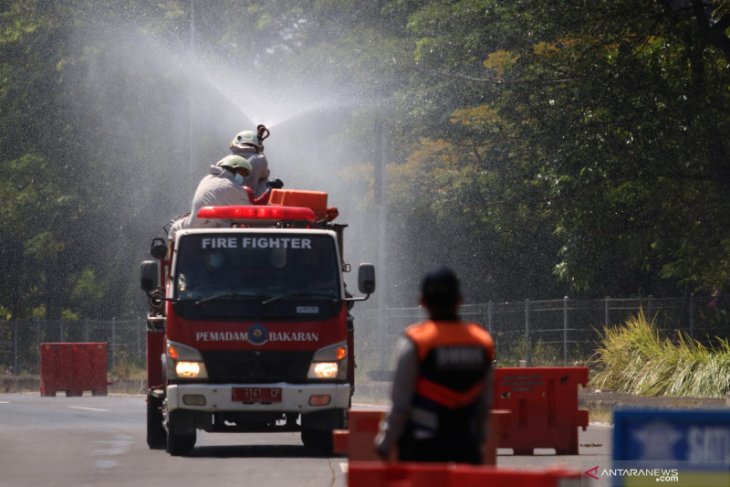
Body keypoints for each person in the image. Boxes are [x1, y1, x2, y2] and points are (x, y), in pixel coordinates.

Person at [374, 267, 495, 464]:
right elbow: (485, 403)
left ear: (422, 301)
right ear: (459, 300)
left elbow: (400, 403)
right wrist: (479, 439)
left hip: (423, 449)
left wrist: (385, 443)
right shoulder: (482, 342)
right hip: (466, 447)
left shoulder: (415, 342)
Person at [168, 154, 252, 239]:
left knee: (174, 228)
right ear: (232, 169)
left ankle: (170, 251)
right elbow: (249, 213)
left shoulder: (207, 179)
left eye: (244, 175)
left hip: (193, 227)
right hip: (219, 232)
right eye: (241, 173)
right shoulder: (236, 189)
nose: (242, 178)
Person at [226, 126, 282, 197]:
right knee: (265, 181)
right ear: (257, 146)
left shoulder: (227, 159)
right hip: (246, 200)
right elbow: (266, 173)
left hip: (226, 197)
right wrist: (260, 152)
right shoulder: (259, 159)